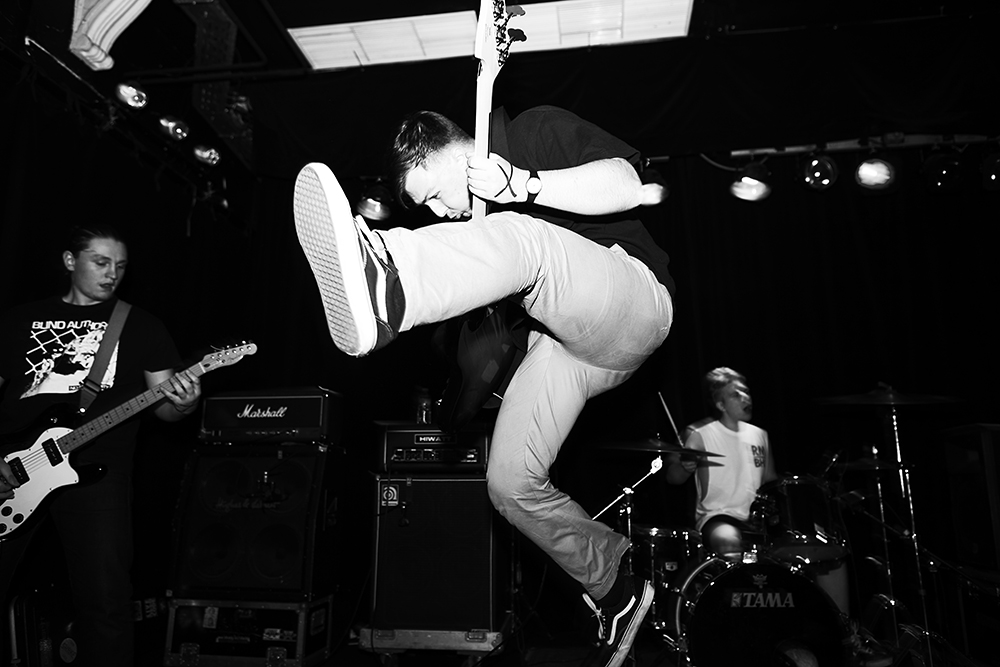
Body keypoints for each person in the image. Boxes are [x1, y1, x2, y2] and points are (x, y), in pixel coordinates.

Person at [293, 105, 674, 667]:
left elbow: (628, 183)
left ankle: (390, 275)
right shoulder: (479, 239)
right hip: (569, 347)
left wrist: (521, 184)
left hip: (635, 298)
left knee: (523, 237)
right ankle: (616, 587)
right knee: (509, 482)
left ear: (455, 152)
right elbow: (477, 365)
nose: (439, 212)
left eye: (433, 194)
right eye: (426, 209)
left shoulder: (529, 132)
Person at [0, 224, 202, 667]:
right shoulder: (18, 320)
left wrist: (184, 404)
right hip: (11, 469)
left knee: (106, 601)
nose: (113, 273)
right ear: (70, 261)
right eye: (101, 262)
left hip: (98, 475)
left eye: (121, 266)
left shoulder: (142, 325)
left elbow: (165, 408)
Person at [666, 367, 777, 560]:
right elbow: (672, 478)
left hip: (756, 519)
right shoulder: (700, 434)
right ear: (721, 405)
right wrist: (684, 467)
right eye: (736, 395)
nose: (745, 398)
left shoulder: (760, 435)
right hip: (718, 516)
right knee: (728, 541)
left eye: (746, 392)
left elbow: (770, 480)